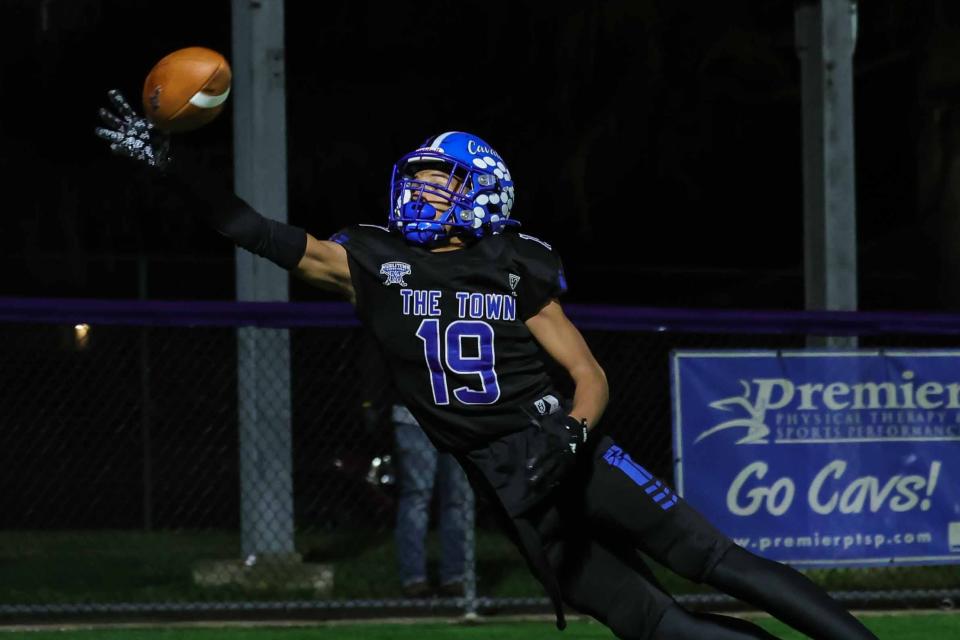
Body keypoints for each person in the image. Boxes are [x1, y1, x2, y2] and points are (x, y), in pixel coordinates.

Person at [95, 91, 878, 640]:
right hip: (506, 482)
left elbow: (591, 375)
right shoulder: (371, 260)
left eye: (441, 182)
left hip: (565, 450)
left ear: (482, 194)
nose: (422, 192)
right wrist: (174, 165)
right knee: (651, 623)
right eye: (419, 180)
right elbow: (251, 228)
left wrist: (573, 438)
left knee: (716, 562)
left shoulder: (514, 262)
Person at [391, 402, 471, 598]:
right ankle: (414, 579)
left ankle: (455, 577)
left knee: (456, 499)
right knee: (418, 496)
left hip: (457, 419)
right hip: (414, 418)